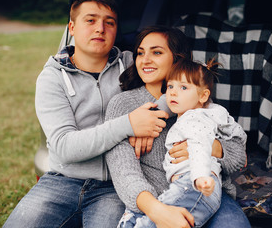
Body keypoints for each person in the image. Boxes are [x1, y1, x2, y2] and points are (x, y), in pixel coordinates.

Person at [4, 0, 169, 227]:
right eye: (90, 20)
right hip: (62, 180)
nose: (100, 28)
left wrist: (152, 115)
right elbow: (64, 147)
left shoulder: (133, 64)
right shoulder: (52, 78)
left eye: (109, 22)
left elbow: (182, 83)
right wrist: (130, 124)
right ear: (72, 27)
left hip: (115, 185)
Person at [105, 26, 251, 228]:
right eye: (140, 53)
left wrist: (212, 146)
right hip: (155, 198)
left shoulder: (195, 97)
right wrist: (156, 209)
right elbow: (124, 173)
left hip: (207, 193)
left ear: (177, 59)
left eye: (156, 52)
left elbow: (239, 158)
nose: (145, 59)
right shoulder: (123, 104)